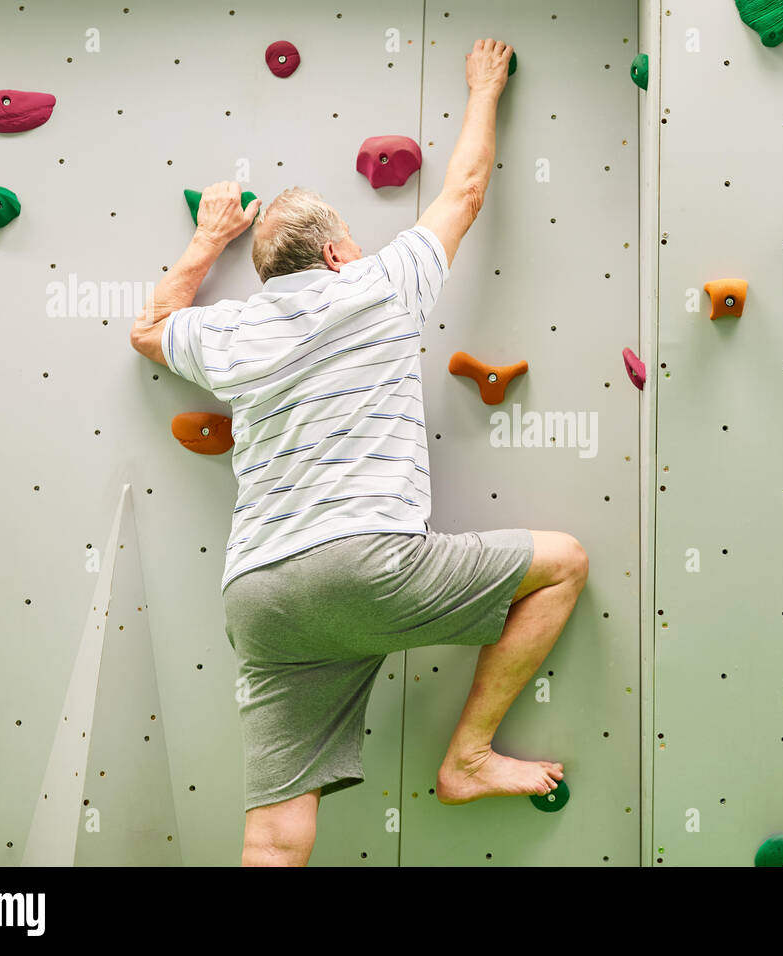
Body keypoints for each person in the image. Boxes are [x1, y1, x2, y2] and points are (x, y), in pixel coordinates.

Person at [129, 38, 588, 866]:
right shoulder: (377, 283)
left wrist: (209, 237)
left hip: (261, 597)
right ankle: (470, 756)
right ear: (340, 251)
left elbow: (148, 330)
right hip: (365, 563)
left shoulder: (232, 331)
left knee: (272, 834)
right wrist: (484, 88)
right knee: (563, 563)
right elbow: (466, 189)